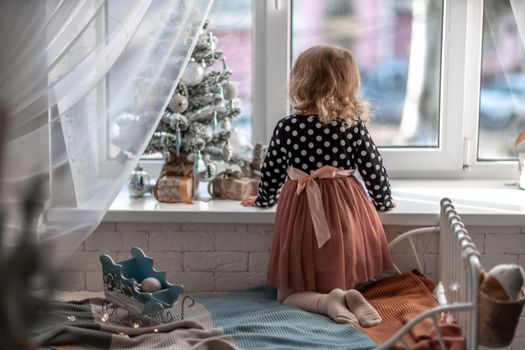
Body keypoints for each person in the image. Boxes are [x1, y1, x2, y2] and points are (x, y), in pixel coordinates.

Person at [241, 44, 395, 327]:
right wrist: (384, 201)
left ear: (302, 81)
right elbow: (373, 167)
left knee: (287, 293)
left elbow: (272, 171)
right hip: (345, 203)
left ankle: (327, 301)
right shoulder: (352, 125)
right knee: (342, 264)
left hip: (301, 206)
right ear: (348, 83)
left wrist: (263, 199)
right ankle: (350, 294)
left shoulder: (288, 126)